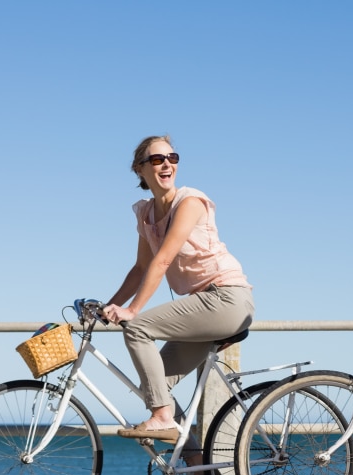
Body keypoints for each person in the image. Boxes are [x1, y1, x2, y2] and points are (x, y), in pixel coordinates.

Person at [102, 135, 254, 442]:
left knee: (137, 329)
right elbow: (141, 268)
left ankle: (162, 418)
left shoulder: (190, 201)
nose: (167, 164)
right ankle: (198, 472)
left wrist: (132, 311)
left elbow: (163, 260)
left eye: (172, 158)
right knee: (154, 385)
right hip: (203, 306)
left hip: (227, 298)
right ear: (140, 170)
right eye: (157, 160)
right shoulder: (146, 214)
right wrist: (108, 307)